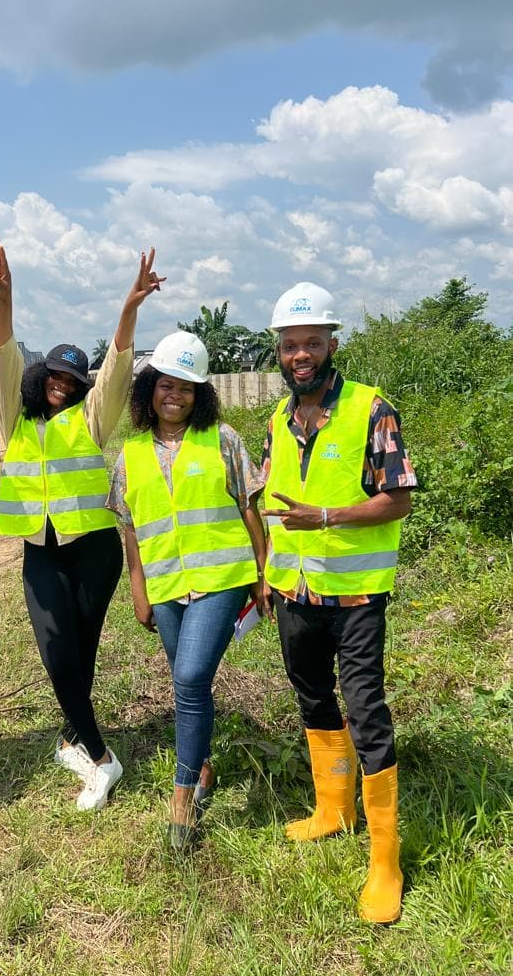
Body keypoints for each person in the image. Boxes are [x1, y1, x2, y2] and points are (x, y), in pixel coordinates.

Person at [261, 282, 416, 923]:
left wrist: (328, 516)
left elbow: (398, 497)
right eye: (291, 345)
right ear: (280, 350)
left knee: (365, 706)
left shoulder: (371, 409)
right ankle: (333, 809)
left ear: (331, 344)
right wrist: (270, 574)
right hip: (295, 591)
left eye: (312, 343)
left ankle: (386, 860)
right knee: (312, 696)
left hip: (354, 594)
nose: (302, 354)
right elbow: (272, 506)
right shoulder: (276, 419)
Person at [0, 239, 161, 811]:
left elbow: (116, 367)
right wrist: (4, 299)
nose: (62, 383)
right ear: (40, 378)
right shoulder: (15, 419)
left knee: (82, 649)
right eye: (54, 376)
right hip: (41, 550)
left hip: (94, 549)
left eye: (72, 378)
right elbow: (4, 354)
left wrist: (128, 310)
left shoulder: (91, 418)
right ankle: (101, 757)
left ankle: (69, 736)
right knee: (57, 649)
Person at [107, 331, 268, 849]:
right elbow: (130, 530)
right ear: (149, 389)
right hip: (165, 584)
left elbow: (249, 507)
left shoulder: (222, 439)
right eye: (166, 386)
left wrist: (264, 574)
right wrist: (138, 588)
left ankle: (181, 800)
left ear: (202, 395)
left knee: (191, 677)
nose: (175, 396)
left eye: (187, 388)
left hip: (221, 578)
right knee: (188, 685)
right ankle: (201, 768)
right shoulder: (129, 454)